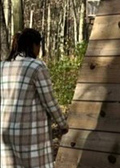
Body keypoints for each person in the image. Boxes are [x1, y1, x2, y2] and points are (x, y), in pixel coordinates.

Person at [1, 28, 69, 168]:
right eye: (38, 46)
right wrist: (63, 124)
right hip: (30, 133)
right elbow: (49, 101)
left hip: (5, 131)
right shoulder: (36, 66)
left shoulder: (2, 66)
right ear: (34, 45)